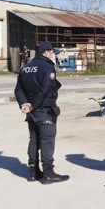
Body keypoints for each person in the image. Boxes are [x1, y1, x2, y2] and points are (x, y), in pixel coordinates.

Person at [14, 41, 69, 184]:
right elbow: (45, 89)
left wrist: (24, 103)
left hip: (31, 112)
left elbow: (18, 89)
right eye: (51, 51)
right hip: (43, 109)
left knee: (34, 139)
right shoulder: (47, 67)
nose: (52, 54)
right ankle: (48, 173)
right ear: (46, 52)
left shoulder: (25, 67)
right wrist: (33, 105)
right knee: (47, 140)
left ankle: (33, 172)